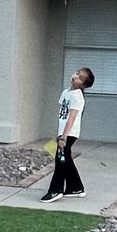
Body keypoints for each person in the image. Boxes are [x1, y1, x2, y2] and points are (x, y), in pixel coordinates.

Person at [42, 67, 93, 202]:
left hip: (69, 133)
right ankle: (75, 187)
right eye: (77, 73)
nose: (76, 77)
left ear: (83, 85)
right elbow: (62, 115)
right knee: (65, 158)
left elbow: (71, 118)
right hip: (62, 132)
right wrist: (58, 134)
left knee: (61, 160)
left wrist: (64, 136)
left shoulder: (77, 96)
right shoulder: (66, 92)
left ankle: (56, 190)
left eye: (80, 78)